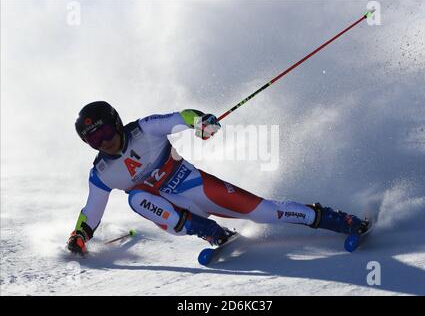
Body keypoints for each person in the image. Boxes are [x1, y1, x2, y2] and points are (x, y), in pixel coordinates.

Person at [67, 101, 369, 255]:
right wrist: (79, 236)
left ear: (116, 124)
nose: (104, 142)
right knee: (137, 198)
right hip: (174, 213)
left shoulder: (143, 129)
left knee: (265, 212)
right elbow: (90, 212)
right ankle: (209, 231)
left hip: (196, 186)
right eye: (94, 140)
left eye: (105, 132)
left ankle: (338, 220)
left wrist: (200, 122)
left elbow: (180, 117)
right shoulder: (103, 173)